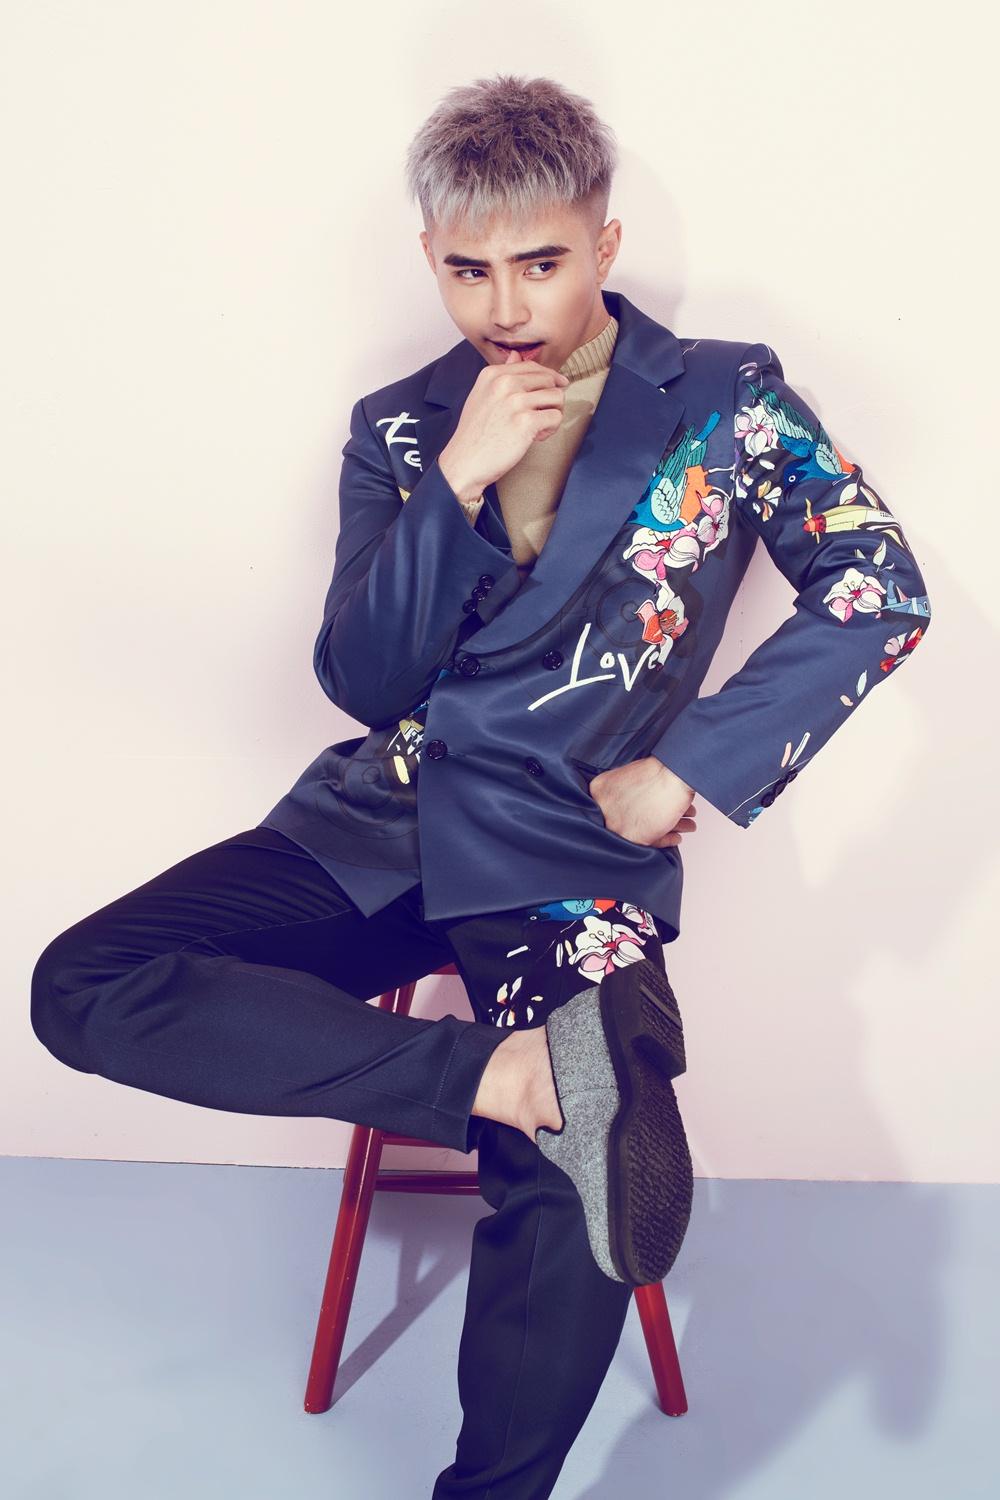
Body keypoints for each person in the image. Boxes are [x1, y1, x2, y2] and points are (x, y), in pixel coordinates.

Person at [29, 72, 932, 1499]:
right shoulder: (401, 427)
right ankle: (505, 1075)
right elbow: (363, 676)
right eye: (466, 271)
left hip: (568, 847)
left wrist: (689, 767)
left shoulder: (725, 398)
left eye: (541, 262)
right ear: (429, 259)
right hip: (378, 822)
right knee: (82, 983)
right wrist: (455, 480)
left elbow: (878, 583)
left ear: (605, 244)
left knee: (576, 1171)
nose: (505, 305)